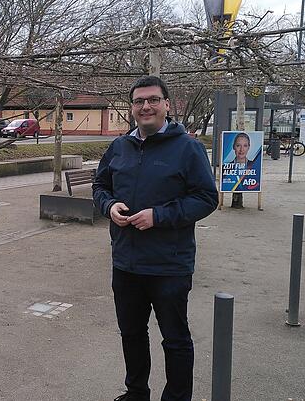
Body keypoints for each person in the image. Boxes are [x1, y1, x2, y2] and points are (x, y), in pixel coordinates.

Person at [93, 75, 218, 401]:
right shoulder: (119, 147)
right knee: (132, 333)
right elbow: (100, 187)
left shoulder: (188, 148)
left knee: (175, 339)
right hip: (126, 261)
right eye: (139, 101)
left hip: (169, 264)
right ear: (132, 107)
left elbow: (206, 198)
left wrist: (158, 216)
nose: (145, 106)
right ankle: (136, 393)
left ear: (166, 105)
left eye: (152, 100)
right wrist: (109, 206)